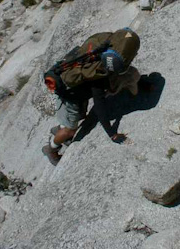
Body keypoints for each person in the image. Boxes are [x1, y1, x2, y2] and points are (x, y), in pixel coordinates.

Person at [42, 28, 141, 165]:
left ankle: (60, 127)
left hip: (76, 88)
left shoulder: (106, 42)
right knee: (70, 130)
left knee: (80, 116)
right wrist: (112, 134)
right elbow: (99, 106)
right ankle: (51, 148)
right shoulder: (97, 74)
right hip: (69, 95)